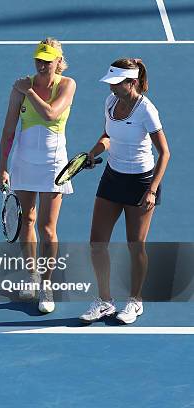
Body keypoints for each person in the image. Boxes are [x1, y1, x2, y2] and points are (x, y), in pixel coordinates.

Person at [79, 58, 170, 324]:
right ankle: (105, 301)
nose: (111, 89)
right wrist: (92, 153)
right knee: (97, 243)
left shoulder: (147, 110)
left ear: (131, 83)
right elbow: (107, 136)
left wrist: (152, 190)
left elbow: (164, 153)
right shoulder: (110, 102)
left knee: (135, 245)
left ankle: (135, 300)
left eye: (116, 84)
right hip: (112, 177)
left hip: (141, 182)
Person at [0, 38, 76, 313]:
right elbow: (9, 129)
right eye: (38, 60)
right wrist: (2, 166)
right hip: (24, 162)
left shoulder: (67, 85)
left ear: (58, 61)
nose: (42, 65)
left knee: (47, 227)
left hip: (54, 164)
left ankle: (47, 284)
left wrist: (29, 92)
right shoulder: (20, 87)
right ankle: (31, 275)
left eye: (47, 60)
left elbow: (52, 114)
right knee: (27, 220)